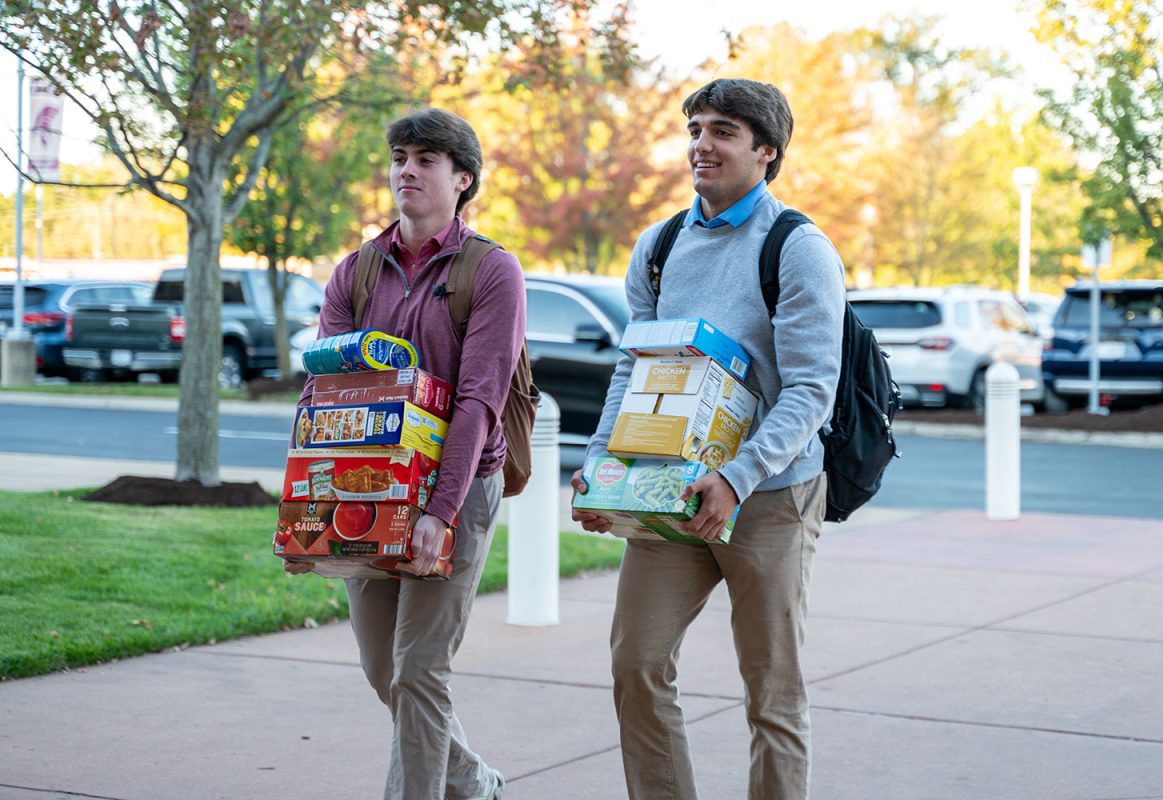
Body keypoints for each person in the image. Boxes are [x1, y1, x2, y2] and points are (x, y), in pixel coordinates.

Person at [571, 78, 845, 799]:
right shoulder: (659, 246)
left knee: (771, 690)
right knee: (636, 661)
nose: (702, 143)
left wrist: (738, 477)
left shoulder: (798, 247)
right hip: (671, 491)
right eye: (696, 128)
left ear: (766, 151)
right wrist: (601, 461)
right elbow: (635, 370)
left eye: (724, 130)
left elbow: (812, 388)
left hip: (772, 495)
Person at [285, 108, 523, 800]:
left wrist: (440, 512)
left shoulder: (492, 270)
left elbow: (479, 399)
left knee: (419, 669)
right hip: (367, 485)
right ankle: (473, 779)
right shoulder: (355, 272)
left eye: (425, 159)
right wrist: (308, 517)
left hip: (458, 483)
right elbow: (323, 400)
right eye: (399, 157)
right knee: (381, 670)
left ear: (462, 179)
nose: (407, 170)